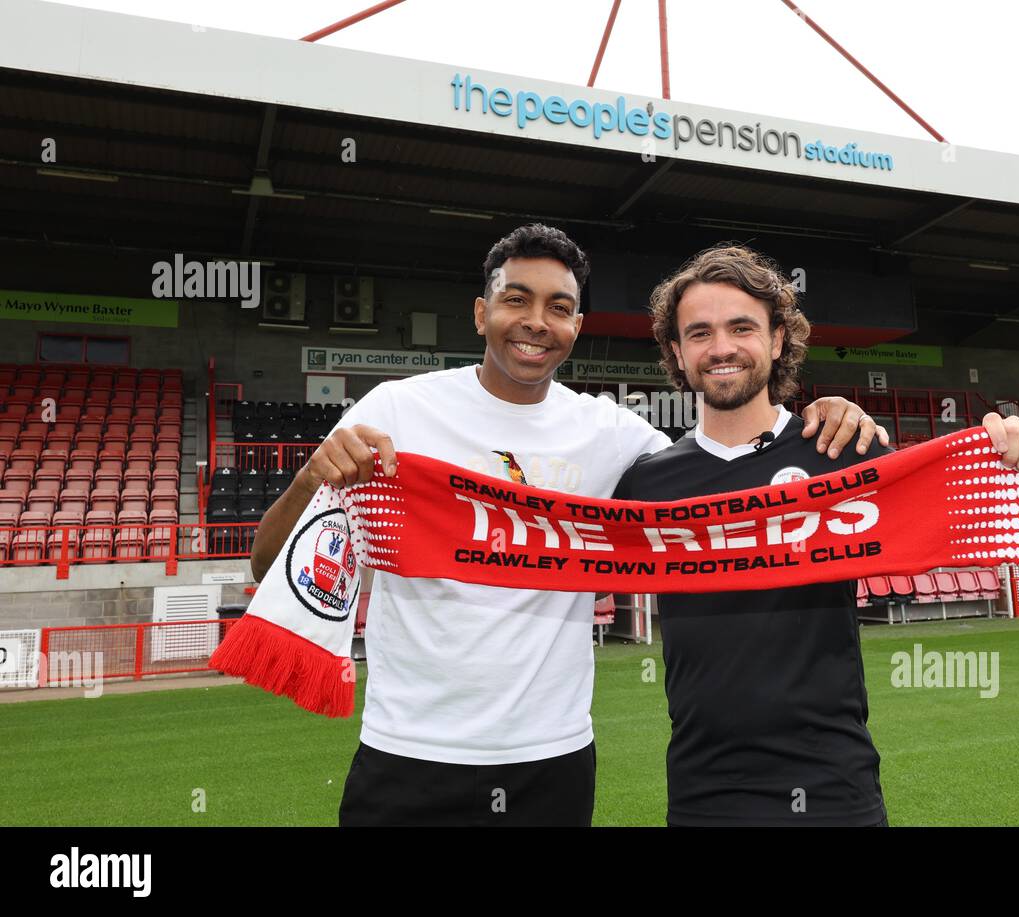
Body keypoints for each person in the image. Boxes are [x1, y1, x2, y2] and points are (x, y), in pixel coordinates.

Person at [247, 224, 889, 827]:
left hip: (552, 757)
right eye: (516, 300)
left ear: (577, 325)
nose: (535, 322)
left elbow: (728, 469)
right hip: (407, 748)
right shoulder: (396, 409)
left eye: (558, 307)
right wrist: (311, 477)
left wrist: (831, 414)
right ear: (481, 312)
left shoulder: (617, 439)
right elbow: (268, 567)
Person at [612, 244, 1019, 826]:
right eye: (700, 333)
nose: (720, 347)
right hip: (701, 794)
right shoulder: (647, 485)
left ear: (776, 340)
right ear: (677, 351)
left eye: (741, 327)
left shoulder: (843, 454)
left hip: (834, 789)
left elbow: (976, 516)